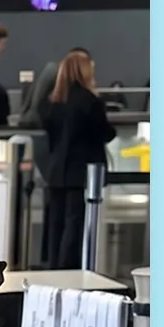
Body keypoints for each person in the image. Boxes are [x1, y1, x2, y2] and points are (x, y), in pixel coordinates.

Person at [36, 48, 117, 269]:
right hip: (82, 172)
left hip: (54, 171)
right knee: (75, 223)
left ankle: (53, 269)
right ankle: (69, 269)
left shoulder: (49, 102)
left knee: (55, 223)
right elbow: (105, 133)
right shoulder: (89, 101)